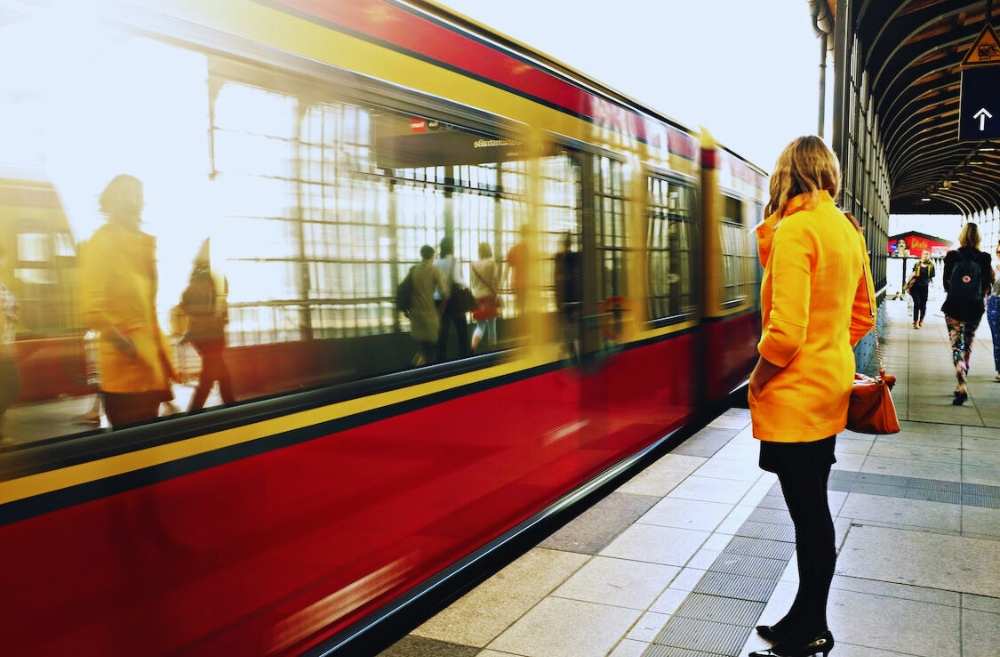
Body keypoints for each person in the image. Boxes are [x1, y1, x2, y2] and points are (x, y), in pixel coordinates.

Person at [748, 136, 875, 657]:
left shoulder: (798, 230)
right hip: (827, 392)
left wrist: (757, 379)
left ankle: (812, 628)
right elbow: (862, 315)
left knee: (809, 512)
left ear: (786, 174)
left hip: (796, 396)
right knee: (810, 510)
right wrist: (828, 354)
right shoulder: (845, 229)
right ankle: (803, 618)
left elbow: (784, 335)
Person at [79, 174, 176, 428]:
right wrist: (128, 346)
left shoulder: (143, 244)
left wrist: (160, 360)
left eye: (139, 195)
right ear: (112, 201)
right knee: (135, 455)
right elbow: (93, 310)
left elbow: (149, 312)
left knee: (151, 453)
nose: (136, 201)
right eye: (129, 195)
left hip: (150, 371)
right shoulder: (102, 243)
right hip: (124, 378)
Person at [179, 239, 235, 411]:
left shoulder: (194, 282)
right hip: (212, 336)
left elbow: (185, 305)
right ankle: (196, 414)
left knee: (219, 375)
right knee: (210, 376)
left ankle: (230, 406)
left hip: (203, 337)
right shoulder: (214, 279)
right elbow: (222, 301)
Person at [941, 222, 993, 405]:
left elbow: (946, 284)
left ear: (961, 236)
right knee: (967, 343)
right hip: (974, 307)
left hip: (954, 306)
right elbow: (987, 286)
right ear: (978, 238)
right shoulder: (985, 258)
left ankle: (960, 380)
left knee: (956, 344)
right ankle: (962, 380)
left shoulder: (952, 256)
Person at [407, 245, 446, 366]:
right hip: (429, 313)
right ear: (433, 255)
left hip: (415, 314)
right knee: (431, 348)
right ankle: (426, 373)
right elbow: (444, 293)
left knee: (422, 347)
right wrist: (441, 310)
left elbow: (407, 290)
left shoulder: (414, 270)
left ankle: (417, 369)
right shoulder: (434, 270)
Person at [435, 237, 470, 361]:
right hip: (454, 300)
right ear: (451, 247)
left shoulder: (436, 262)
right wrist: (465, 285)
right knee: (462, 329)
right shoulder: (454, 261)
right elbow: (457, 279)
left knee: (442, 331)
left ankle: (441, 358)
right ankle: (464, 356)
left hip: (439, 300)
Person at [0, 245, 19, 446]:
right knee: (11, 386)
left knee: (7, 387)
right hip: (2, 347)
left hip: (6, 343)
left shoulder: (2, 283)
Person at [554, 231, 582, 361]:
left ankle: (569, 347)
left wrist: (557, 298)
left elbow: (556, 279)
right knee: (571, 323)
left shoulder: (559, 257)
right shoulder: (575, 257)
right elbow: (578, 277)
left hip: (564, 296)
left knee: (566, 323)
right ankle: (569, 346)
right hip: (572, 295)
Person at [469, 242, 499, 352]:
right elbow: (495, 281)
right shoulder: (492, 263)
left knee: (480, 326)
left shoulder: (473, 265)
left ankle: (473, 346)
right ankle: (493, 349)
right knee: (492, 325)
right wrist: (496, 294)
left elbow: (472, 282)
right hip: (489, 296)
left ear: (479, 252)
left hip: (477, 297)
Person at [906, 251, 935, 328]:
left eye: (927, 254)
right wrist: (908, 285)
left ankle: (921, 320)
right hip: (915, 287)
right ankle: (915, 322)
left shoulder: (931, 266)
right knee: (917, 303)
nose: (926, 256)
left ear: (929, 256)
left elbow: (931, 277)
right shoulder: (917, 264)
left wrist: (927, 282)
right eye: (924, 254)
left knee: (923, 305)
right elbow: (913, 274)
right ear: (922, 255)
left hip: (924, 287)